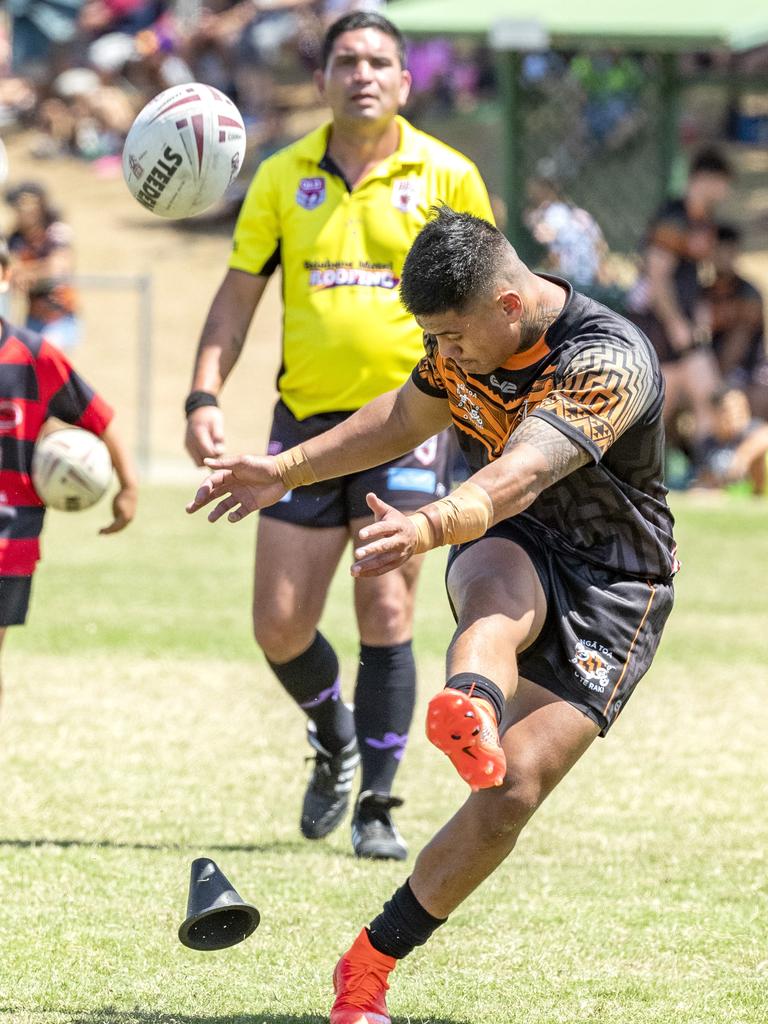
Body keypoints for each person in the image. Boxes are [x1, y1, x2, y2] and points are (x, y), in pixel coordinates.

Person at [186, 206, 677, 1023]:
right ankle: (473, 709)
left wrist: (427, 521)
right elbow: (408, 416)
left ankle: (370, 955)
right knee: (494, 598)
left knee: (511, 795)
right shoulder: (463, 339)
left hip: (615, 581)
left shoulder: (608, 359)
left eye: (451, 337)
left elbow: (520, 472)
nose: (442, 354)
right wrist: (285, 470)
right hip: (509, 536)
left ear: (508, 306)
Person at [183, 11, 494, 861]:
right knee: (280, 625)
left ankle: (379, 806)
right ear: (320, 78)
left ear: (404, 80)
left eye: (378, 62)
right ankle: (335, 735)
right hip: (304, 424)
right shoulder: (283, 177)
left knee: (387, 603)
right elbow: (239, 295)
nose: (361, 73)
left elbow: (492, 296)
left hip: (413, 419)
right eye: (345, 60)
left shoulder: (449, 174)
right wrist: (202, 394)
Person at [0, 235, 138, 696]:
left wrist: (128, 487)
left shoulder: (35, 357)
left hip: (10, 537)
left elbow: (100, 418)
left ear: (7, 279)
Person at [626, 148, 733, 454]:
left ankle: (708, 469)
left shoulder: (703, 221)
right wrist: (675, 323)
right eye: (722, 182)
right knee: (659, 405)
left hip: (683, 323)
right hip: (656, 322)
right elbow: (657, 277)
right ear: (704, 179)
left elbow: (694, 273)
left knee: (708, 392)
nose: (725, 191)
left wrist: (697, 312)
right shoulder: (673, 218)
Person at [5, 181, 82, 352]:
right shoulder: (15, 239)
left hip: (60, 317)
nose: (24, 210)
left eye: (28, 203)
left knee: (45, 357)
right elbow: (9, 270)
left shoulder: (56, 232)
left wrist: (26, 272)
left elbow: (58, 267)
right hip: (32, 318)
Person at [706, 224, 768, 420]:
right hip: (713, 369)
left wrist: (718, 381)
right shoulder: (704, 293)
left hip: (750, 371)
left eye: (727, 250)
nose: (721, 256)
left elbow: (739, 341)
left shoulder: (748, 293)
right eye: (716, 250)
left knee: (756, 396)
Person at [693, 387, 768, 497]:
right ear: (715, 414)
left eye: (742, 408)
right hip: (726, 494)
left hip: (756, 491)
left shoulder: (752, 430)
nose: (738, 414)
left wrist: (742, 456)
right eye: (732, 410)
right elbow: (704, 479)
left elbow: (764, 436)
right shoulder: (707, 444)